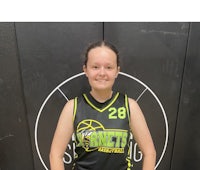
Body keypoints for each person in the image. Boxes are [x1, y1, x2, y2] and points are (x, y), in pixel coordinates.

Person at [49, 40, 156, 170]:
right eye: (95, 67)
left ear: (117, 71)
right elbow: (56, 155)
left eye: (109, 67)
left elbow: (150, 153)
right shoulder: (72, 107)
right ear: (85, 70)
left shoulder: (130, 106)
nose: (102, 73)